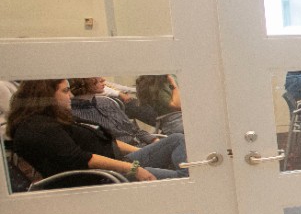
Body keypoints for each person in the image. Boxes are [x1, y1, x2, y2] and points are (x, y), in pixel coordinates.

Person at [6, 79, 185, 184]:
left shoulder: (53, 119)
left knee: (177, 139)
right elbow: (82, 159)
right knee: (183, 178)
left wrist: (144, 152)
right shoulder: (38, 128)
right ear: (45, 95)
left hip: (117, 161)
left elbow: (106, 141)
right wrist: (133, 168)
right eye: (65, 91)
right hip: (105, 176)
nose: (70, 96)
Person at [69, 77, 160, 147]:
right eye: (95, 77)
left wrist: (154, 140)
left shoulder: (107, 102)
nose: (103, 79)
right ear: (81, 82)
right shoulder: (75, 114)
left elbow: (134, 130)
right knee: (173, 141)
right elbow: (106, 146)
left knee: (173, 140)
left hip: (140, 146)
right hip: (124, 156)